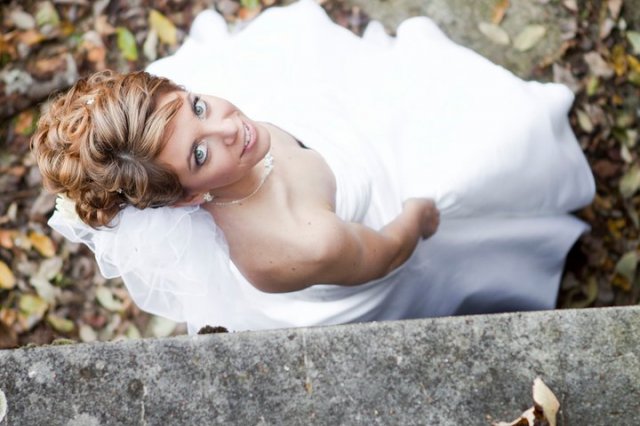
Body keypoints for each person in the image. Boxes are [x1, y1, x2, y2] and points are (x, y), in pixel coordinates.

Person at [31, 0, 595, 334]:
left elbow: (211, 128)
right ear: (187, 199)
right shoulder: (302, 244)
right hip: (376, 229)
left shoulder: (184, 134)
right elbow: (389, 251)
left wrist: (202, 138)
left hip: (339, 148)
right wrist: (421, 214)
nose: (228, 128)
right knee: (489, 152)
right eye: (200, 154)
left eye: (197, 106)